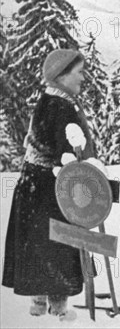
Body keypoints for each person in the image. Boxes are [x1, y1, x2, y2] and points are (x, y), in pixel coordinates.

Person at [2, 49, 93, 320]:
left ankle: (39, 305)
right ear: (62, 76)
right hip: (51, 189)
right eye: (78, 72)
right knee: (58, 245)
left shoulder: (48, 99)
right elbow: (68, 153)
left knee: (40, 245)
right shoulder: (62, 106)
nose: (83, 77)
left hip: (34, 186)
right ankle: (59, 310)